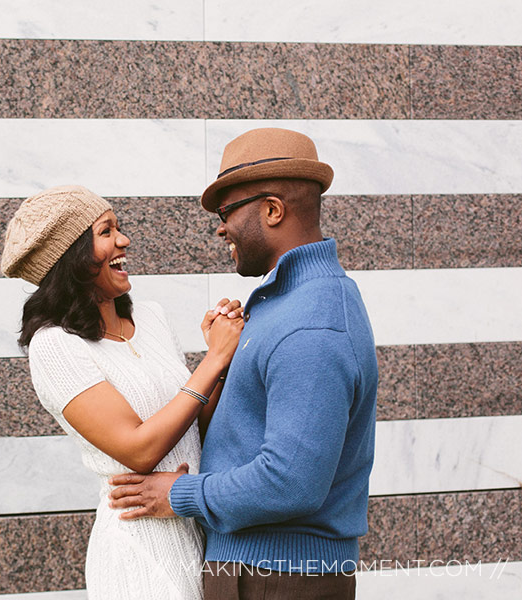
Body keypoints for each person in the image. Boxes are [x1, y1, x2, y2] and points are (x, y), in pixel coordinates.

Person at [108, 128, 378, 599]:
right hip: (255, 572)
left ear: (273, 210)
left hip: (279, 580)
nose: (219, 227)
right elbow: (243, 435)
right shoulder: (280, 304)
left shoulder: (311, 322)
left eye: (227, 211)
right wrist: (221, 361)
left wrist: (177, 495)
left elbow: (290, 482)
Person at [0, 185, 246, 599]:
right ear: (73, 256)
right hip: (139, 552)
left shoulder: (151, 317)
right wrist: (214, 361)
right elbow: (138, 450)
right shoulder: (56, 346)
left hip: (197, 530)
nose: (124, 240)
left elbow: (194, 427)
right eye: (106, 231)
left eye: (119, 227)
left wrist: (222, 360)